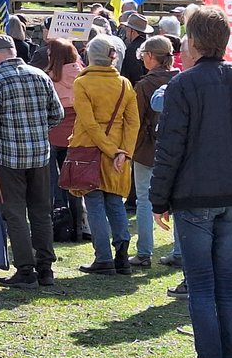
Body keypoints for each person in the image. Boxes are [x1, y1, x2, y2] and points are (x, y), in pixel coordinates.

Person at [151, 6, 232, 358]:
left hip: (196, 196)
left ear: (195, 42)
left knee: (204, 286)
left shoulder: (185, 85)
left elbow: (170, 147)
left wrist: (158, 199)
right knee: (225, 285)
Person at [0, 34, 65, 289]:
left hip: (8, 157)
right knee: (41, 212)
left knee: (14, 212)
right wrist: (37, 129)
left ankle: (25, 270)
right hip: (39, 155)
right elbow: (57, 114)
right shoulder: (40, 75)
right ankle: (45, 268)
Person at [70, 34, 140, 275]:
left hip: (89, 149)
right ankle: (122, 255)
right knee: (114, 201)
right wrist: (124, 153)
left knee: (95, 203)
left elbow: (88, 123)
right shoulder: (125, 84)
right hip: (118, 152)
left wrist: (111, 150)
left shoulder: (82, 83)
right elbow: (133, 123)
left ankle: (103, 258)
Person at [129, 35, 179, 267]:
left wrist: (134, 149)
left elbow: (135, 121)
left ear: (150, 56)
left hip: (148, 149)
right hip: (176, 148)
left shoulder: (144, 85)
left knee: (144, 200)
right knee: (179, 201)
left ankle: (144, 253)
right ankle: (179, 252)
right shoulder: (181, 79)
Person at [45, 37, 85, 236]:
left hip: (53, 134)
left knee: (55, 183)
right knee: (75, 183)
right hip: (76, 135)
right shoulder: (83, 75)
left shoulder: (49, 77)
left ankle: (60, 225)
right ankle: (79, 225)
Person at [118, 13, 153, 86]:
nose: (126, 32)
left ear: (132, 31)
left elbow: (129, 76)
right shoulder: (151, 45)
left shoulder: (132, 50)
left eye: (127, 29)